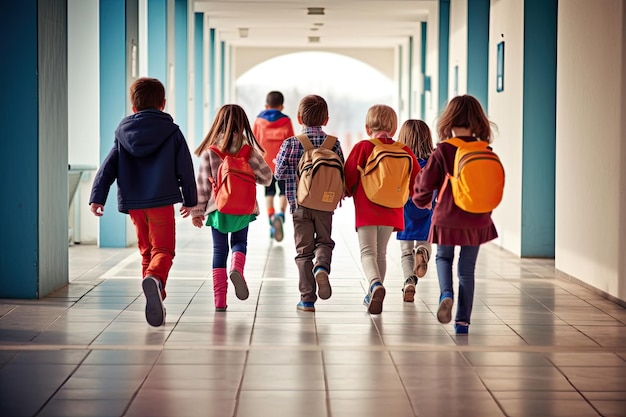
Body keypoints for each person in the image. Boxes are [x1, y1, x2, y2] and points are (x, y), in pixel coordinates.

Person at [89, 77, 198, 327]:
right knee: (164, 250)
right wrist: (190, 200)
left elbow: (109, 166)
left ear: (133, 107)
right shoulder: (172, 131)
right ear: (163, 104)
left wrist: (97, 196)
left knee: (146, 250)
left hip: (135, 204)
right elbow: (185, 167)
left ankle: (156, 292)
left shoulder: (122, 132)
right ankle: (155, 279)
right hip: (161, 201)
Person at [412, 94, 499, 334]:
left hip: (448, 215)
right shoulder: (484, 149)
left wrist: (421, 201)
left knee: (443, 258)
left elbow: (425, 183)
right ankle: (462, 322)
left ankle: (446, 295)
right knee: (467, 268)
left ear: (449, 120)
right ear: (478, 121)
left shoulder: (444, 150)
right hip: (477, 217)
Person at [191, 104, 273, 312]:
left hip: (218, 209)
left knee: (219, 250)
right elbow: (267, 178)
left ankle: (220, 300)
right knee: (239, 243)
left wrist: (197, 212)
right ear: (243, 123)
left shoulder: (211, 151)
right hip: (243, 208)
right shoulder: (248, 151)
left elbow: (201, 184)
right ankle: (237, 268)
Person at [344, 105, 419, 314]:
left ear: (368, 128)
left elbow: (349, 176)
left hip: (367, 207)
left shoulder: (363, 147)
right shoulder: (404, 150)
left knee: (367, 252)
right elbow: (416, 180)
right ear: (394, 129)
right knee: (381, 253)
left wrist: (347, 192)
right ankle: (373, 293)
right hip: (393, 208)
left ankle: (375, 284)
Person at [274, 95, 345, 312]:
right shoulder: (334, 143)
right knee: (325, 241)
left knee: (303, 252)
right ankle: (322, 266)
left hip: (299, 206)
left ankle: (307, 299)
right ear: (326, 119)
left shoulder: (292, 143)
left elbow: (278, 175)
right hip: (325, 205)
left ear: (298, 118)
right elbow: (342, 172)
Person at [396, 119, 435, 302]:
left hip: (405, 209)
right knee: (424, 241)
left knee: (405, 251)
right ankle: (423, 252)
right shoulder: (433, 161)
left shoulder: (401, 161)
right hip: (427, 209)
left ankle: (409, 282)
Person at [253, 91, 296, 242]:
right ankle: (281, 215)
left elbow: (255, 142)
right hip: (284, 164)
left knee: (269, 192)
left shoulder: (259, 121)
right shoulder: (286, 121)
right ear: (282, 107)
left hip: (265, 164)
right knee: (283, 191)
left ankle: (272, 218)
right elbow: (291, 142)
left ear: (266, 105)